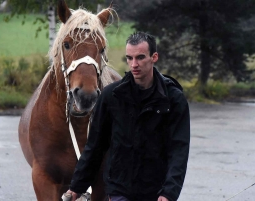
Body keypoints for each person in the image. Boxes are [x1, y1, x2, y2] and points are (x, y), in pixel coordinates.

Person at [66, 32, 190, 201]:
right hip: (119, 189)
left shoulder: (173, 100)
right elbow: (95, 145)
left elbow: (179, 151)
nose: (134, 64)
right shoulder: (112, 96)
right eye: (129, 58)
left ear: (154, 57)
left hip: (155, 191)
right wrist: (76, 187)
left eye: (140, 57)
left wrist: (169, 192)